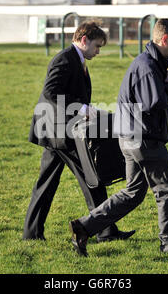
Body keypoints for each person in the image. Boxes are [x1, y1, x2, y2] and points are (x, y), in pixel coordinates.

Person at [69, 19, 168, 257]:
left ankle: (83, 227)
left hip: (130, 137)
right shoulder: (147, 66)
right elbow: (154, 103)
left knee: (133, 193)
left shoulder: (148, 63)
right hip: (143, 139)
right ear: (165, 39)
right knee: (167, 189)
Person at [24, 21, 135, 242]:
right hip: (60, 133)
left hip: (58, 132)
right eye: (97, 46)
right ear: (84, 40)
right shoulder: (65, 59)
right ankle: (105, 231)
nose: (98, 51)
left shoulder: (75, 59)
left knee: (49, 184)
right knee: (92, 178)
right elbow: (51, 92)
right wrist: (81, 108)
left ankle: (32, 234)